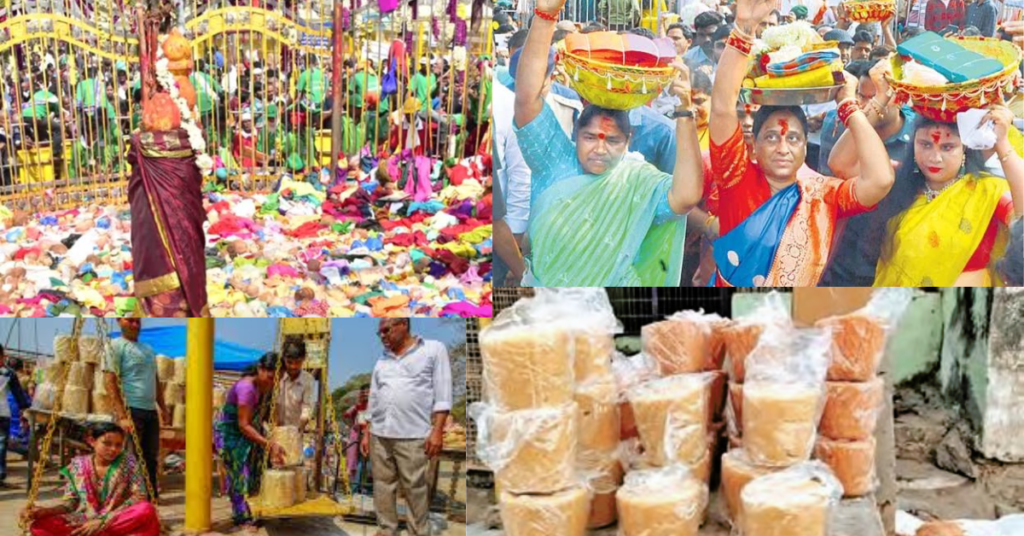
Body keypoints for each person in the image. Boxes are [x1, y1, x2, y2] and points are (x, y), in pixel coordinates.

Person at [513, 0, 704, 285]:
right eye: (590, 137)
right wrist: (545, 16)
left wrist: (686, 114)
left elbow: (686, 197)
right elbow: (526, 99)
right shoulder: (553, 158)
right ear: (575, 132)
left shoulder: (638, 180)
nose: (600, 149)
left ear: (629, 140)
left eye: (612, 140)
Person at [706, 0, 895, 286]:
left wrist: (847, 106)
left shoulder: (824, 194)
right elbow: (722, 106)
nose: (783, 148)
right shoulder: (736, 178)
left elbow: (880, 180)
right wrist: (744, 28)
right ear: (753, 147)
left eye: (793, 138)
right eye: (771, 137)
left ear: (806, 147)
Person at [873, 106, 1022, 286]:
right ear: (913, 144)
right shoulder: (897, 182)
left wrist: (1002, 143)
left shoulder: (988, 190)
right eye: (925, 144)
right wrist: (874, 103)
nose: (935, 158)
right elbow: (842, 165)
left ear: (965, 149)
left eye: (947, 147)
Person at [819, 59, 918, 286]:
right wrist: (876, 103)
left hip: (894, 261)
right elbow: (839, 168)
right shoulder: (841, 124)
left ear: (900, 98)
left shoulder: (919, 140)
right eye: (862, 96)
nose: (866, 104)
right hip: (842, 256)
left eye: (876, 96)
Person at [359, 319, 452, 536]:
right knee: (382, 485)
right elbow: (373, 397)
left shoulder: (433, 350)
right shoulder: (383, 359)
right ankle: (386, 529)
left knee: (414, 488)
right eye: (379, 333)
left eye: (386, 330)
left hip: (412, 434)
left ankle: (418, 530)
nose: (382, 336)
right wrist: (366, 432)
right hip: (380, 434)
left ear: (403, 325)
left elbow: (443, 394)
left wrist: (437, 431)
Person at [19, 422, 160, 536]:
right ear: (92, 441)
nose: (113, 449)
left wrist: (103, 521)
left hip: (117, 518)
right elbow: (70, 503)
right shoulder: (77, 465)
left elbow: (140, 496)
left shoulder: (128, 460)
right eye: (107, 443)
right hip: (86, 519)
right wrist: (45, 511)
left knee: (146, 510)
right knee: (39, 526)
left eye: (118, 445)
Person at [215, 352, 287, 532]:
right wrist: (269, 444)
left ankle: (251, 511)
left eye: (277, 379)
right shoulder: (247, 388)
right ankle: (241, 518)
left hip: (244, 433)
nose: (273, 383)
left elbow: (265, 417)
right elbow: (244, 425)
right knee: (239, 475)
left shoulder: (264, 386)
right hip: (230, 434)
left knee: (254, 472)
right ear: (260, 369)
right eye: (271, 377)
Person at [105, 319, 168, 502]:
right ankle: (125, 501)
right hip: (130, 409)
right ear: (119, 320)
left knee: (151, 458)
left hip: (149, 411)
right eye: (130, 320)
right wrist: (122, 416)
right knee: (129, 459)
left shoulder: (148, 349)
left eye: (137, 321)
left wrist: (162, 407)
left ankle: (149, 500)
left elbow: (155, 380)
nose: (135, 324)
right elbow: (109, 382)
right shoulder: (115, 346)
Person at [0, 347, 30, 488]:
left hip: (4, 412)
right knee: (1, 444)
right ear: (3, 355)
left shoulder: (9, 373)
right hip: (2, 413)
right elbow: (19, 396)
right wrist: (25, 409)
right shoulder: (8, 373)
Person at [276, 340, 315, 432]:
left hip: (296, 430)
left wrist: (301, 426)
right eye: (289, 362)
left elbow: (307, 406)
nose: (293, 366)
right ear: (284, 359)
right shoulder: (277, 375)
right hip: (275, 427)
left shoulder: (308, 380)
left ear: (303, 359)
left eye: (297, 362)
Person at [343, 383, 370, 492]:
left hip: (371, 436)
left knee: (368, 463)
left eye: (367, 392)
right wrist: (352, 426)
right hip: (358, 436)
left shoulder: (375, 405)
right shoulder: (357, 406)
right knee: (357, 462)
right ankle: (355, 487)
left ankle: (364, 486)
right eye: (363, 393)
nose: (365, 395)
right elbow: (346, 415)